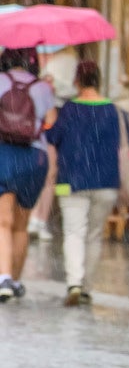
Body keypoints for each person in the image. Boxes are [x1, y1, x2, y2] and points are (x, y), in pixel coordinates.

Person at [45, 60, 129, 307]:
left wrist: (52, 114)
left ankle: (74, 282)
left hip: (70, 181)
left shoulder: (69, 109)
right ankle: (87, 287)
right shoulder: (114, 110)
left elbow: (52, 137)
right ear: (99, 79)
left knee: (73, 232)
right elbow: (125, 147)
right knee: (94, 235)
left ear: (77, 81)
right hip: (106, 182)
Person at [0, 47, 56, 302]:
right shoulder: (42, 87)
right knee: (21, 225)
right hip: (35, 157)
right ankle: (17, 280)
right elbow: (50, 122)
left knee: (3, 222)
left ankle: (3, 279)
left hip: (4, 153)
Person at [27, 46, 78, 242]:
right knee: (48, 174)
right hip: (48, 128)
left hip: (48, 128)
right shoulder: (39, 77)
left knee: (50, 174)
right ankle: (36, 218)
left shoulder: (53, 69)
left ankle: (39, 219)